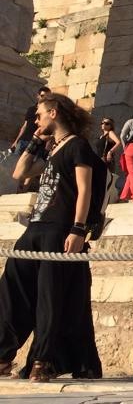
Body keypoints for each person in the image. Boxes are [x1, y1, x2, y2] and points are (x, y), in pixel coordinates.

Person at [0, 93, 104, 381]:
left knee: (50, 296)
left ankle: (43, 360)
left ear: (54, 113)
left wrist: (78, 229)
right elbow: (19, 173)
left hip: (60, 229)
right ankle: (3, 354)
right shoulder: (53, 151)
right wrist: (35, 140)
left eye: (40, 114)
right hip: (35, 228)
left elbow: (85, 190)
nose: (36, 119)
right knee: (12, 288)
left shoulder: (78, 147)